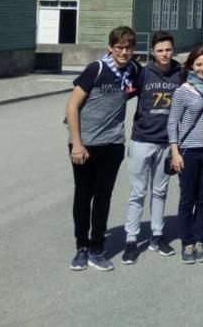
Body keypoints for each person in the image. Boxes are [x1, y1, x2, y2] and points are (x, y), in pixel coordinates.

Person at [65, 26, 141, 271]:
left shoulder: (133, 71)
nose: (123, 52)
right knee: (83, 196)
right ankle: (81, 247)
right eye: (119, 47)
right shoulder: (96, 69)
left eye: (128, 48)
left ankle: (97, 247)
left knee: (103, 197)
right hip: (85, 146)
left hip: (113, 144)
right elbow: (72, 107)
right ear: (111, 48)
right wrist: (77, 144)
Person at [122, 31, 181, 264]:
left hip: (167, 142)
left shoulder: (181, 73)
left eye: (168, 49)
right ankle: (131, 239)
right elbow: (121, 94)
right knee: (138, 192)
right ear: (153, 52)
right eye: (160, 50)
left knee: (160, 191)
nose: (165, 54)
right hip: (142, 140)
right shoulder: (143, 73)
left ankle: (157, 236)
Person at [167, 46, 203, 264]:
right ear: (191, 65)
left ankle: (199, 239)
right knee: (187, 199)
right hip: (188, 150)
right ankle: (187, 242)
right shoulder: (183, 91)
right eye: (199, 64)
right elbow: (172, 122)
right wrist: (175, 152)